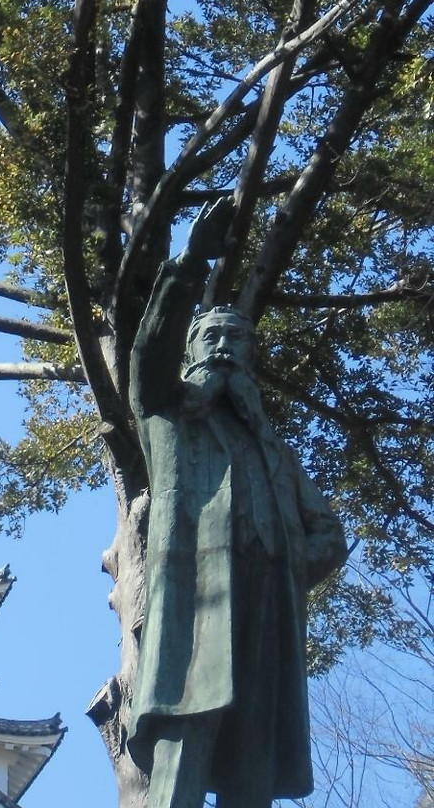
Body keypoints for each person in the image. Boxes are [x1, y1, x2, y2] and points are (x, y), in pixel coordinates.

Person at [127, 199, 348, 808]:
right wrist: (191, 262)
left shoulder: (272, 448)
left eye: (237, 339)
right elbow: (148, 357)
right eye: (213, 336)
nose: (225, 346)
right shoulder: (170, 415)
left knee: (255, 753)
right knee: (188, 733)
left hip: (269, 602)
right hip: (200, 603)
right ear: (193, 350)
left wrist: (291, 560)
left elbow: (330, 532)